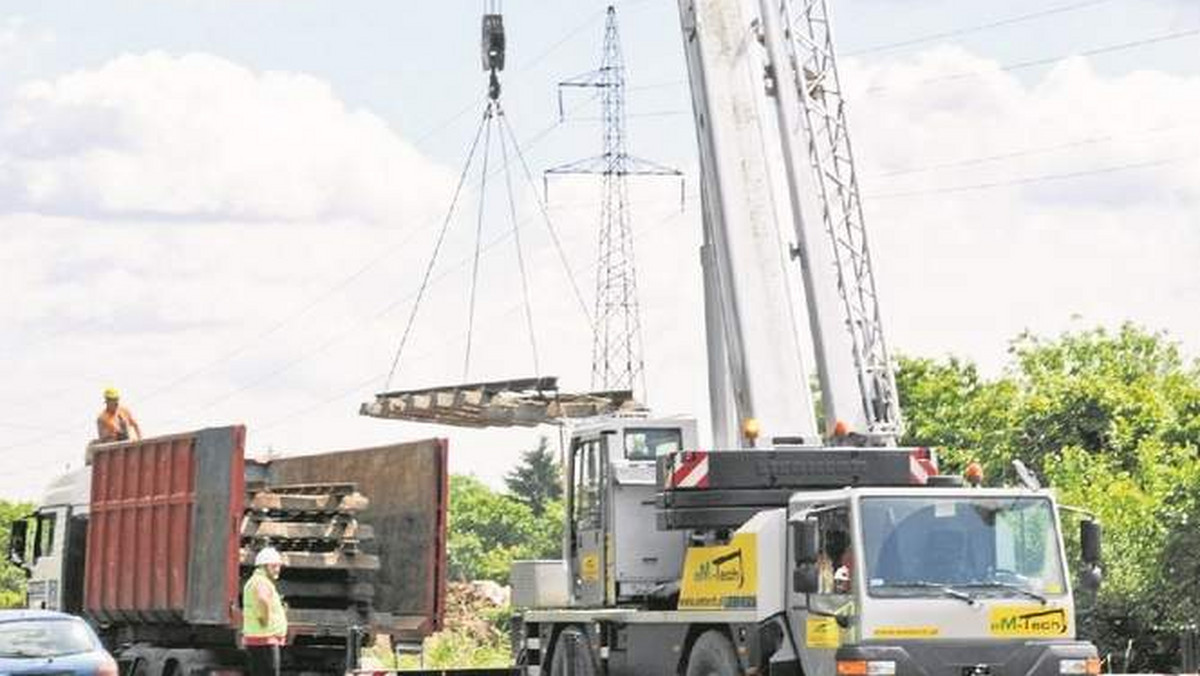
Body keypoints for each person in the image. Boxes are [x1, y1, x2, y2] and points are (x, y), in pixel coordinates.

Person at [243, 547, 287, 676]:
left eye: (278, 566)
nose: (277, 569)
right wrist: (265, 619)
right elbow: (262, 599)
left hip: (259, 639)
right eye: (274, 566)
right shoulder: (261, 581)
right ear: (264, 566)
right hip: (265, 640)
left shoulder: (255, 581)